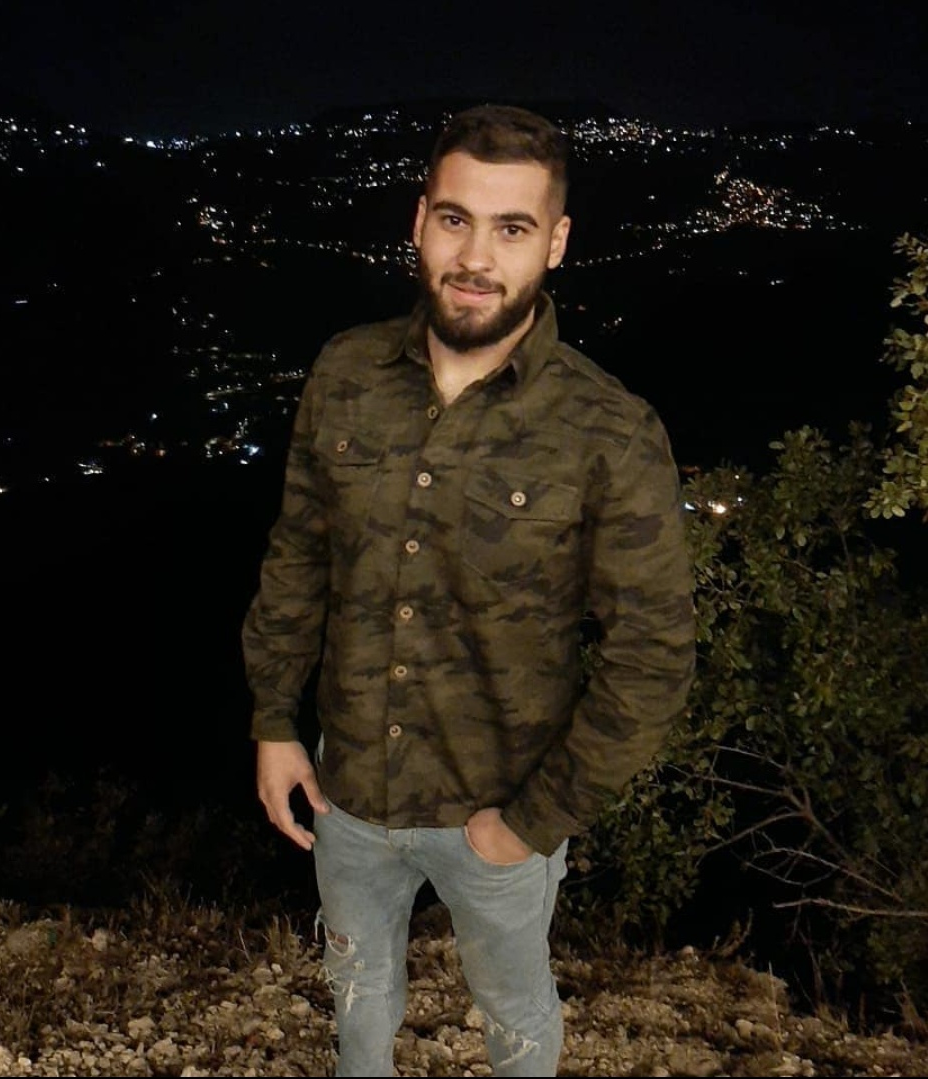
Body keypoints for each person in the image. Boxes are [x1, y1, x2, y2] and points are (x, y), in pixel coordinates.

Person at [241, 102, 697, 1077]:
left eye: (512, 227)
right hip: (349, 791)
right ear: (419, 221)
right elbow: (299, 554)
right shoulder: (346, 372)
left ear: (555, 242)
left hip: (498, 811)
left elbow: (652, 656)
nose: (475, 256)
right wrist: (274, 719)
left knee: (514, 1012)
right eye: (455, 219)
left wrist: (531, 821)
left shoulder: (607, 432)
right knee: (357, 993)